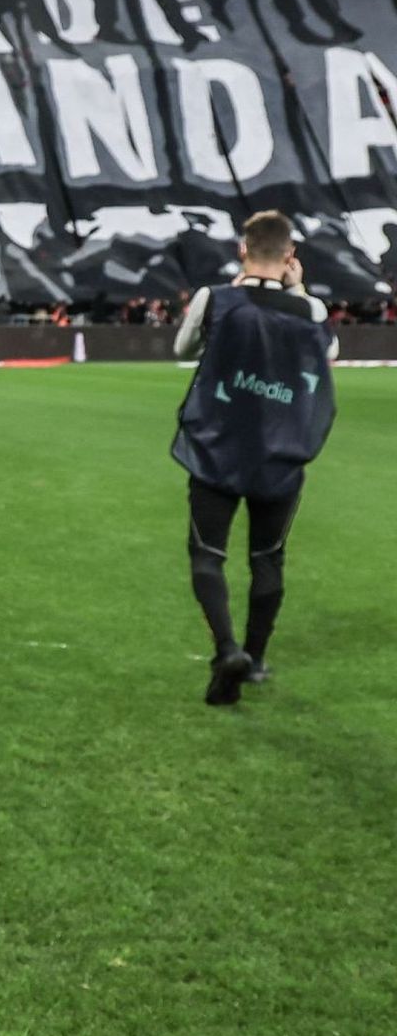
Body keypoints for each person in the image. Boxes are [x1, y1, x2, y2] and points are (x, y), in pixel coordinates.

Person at [172, 210, 337, 705]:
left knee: (208, 554)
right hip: (280, 452)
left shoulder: (215, 299)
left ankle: (227, 650)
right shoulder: (310, 311)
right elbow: (324, 355)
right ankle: (257, 658)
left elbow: (184, 348)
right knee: (268, 559)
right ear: (290, 257)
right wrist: (299, 292)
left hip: (218, 445)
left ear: (242, 249)